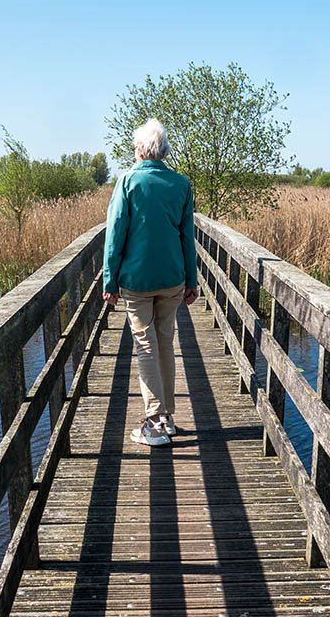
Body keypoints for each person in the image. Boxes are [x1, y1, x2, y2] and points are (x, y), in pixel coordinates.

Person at [102, 118, 199, 446]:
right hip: (172, 277)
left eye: (135, 147)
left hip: (137, 280)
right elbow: (188, 236)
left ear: (142, 150)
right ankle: (168, 417)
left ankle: (155, 423)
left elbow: (115, 234)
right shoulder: (181, 184)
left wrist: (109, 280)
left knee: (145, 347)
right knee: (165, 343)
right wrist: (192, 279)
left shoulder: (128, 182)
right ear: (163, 151)